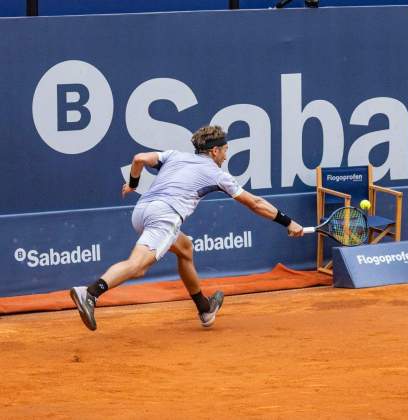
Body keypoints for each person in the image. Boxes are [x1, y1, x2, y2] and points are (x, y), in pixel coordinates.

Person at [70, 125, 304, 331]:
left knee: (185, 248)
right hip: (165, 215)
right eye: (224, 151)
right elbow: (255, 203)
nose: (225, 156)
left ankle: (204, 308)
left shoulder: (174, 156)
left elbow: (139, 158)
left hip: (142, 211)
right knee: (138, 266)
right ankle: (90, 293)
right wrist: (288, 222)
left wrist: (133, 184)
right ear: (215, 151)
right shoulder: (217, 174)